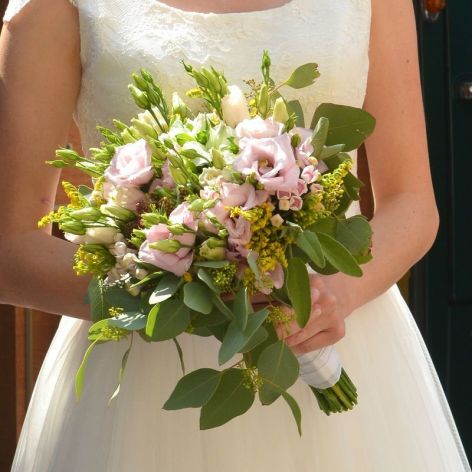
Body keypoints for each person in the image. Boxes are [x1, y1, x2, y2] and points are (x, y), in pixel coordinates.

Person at [0, 0, 470, 470]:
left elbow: (411, 205)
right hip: (141, 386)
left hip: (338, 342)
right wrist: (183, 291)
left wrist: (337, 295)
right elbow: (11, 248)